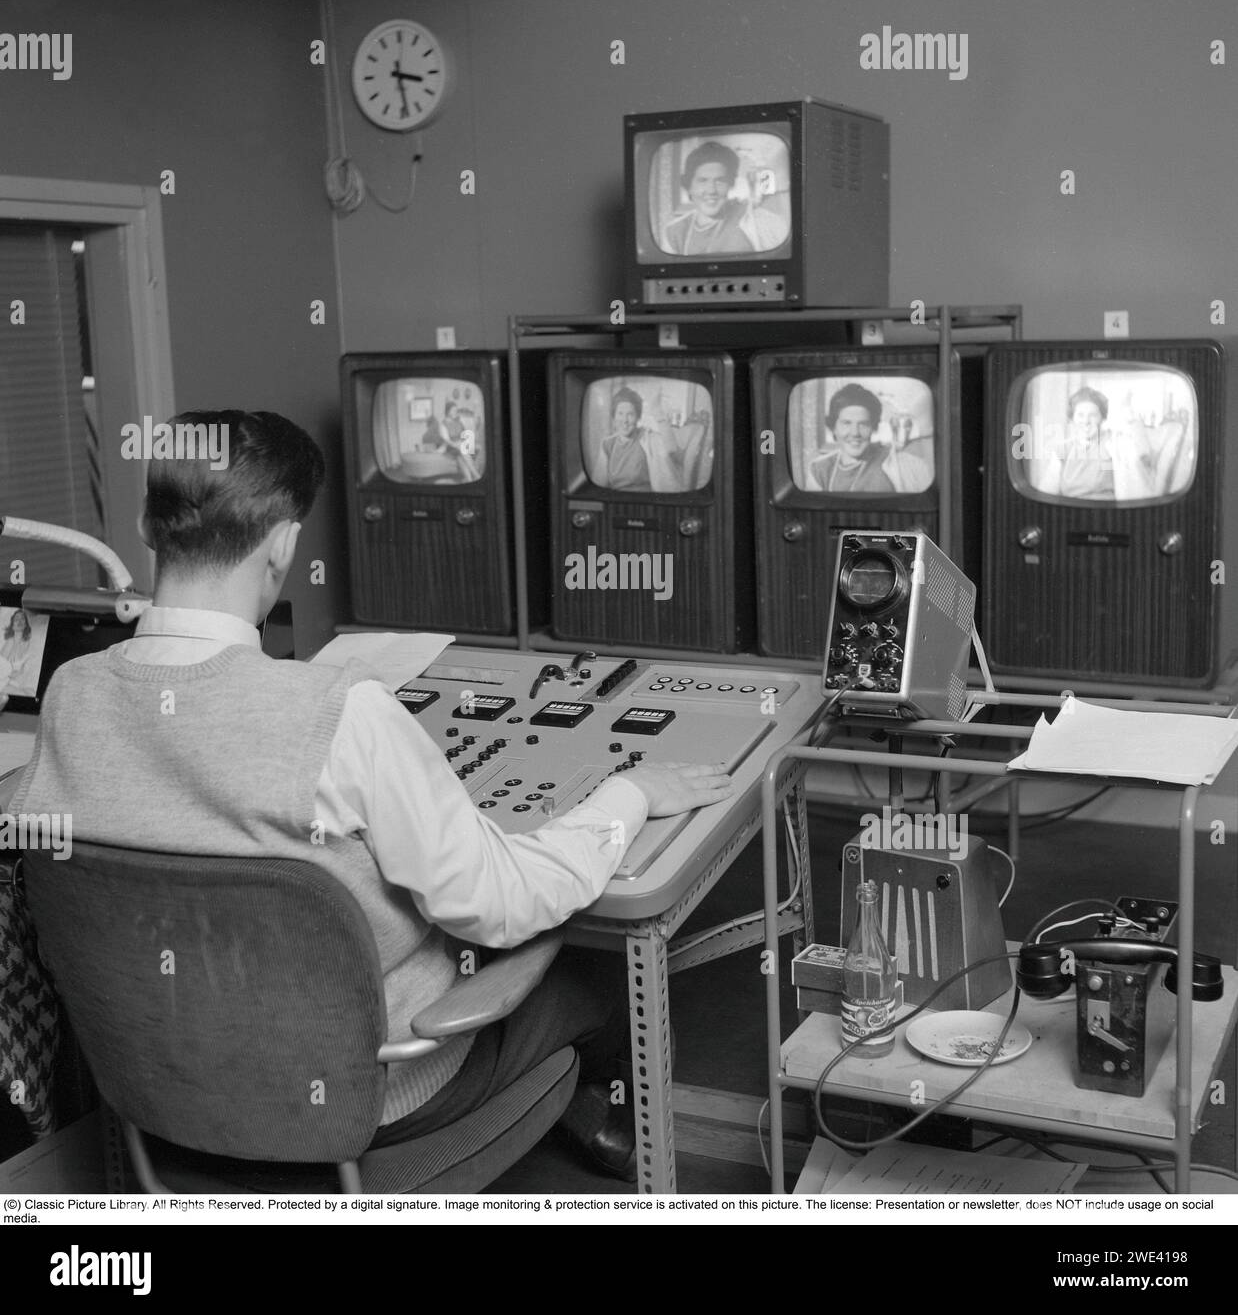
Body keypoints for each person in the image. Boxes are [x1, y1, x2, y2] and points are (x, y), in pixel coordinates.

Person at [6, 410, 731, 1180]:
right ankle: (609, 1131)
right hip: (378, 1094)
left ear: (152, 531)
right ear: (284, 542)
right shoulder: (343, 713)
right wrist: (623, 796)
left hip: (159, 1087)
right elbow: (500, 901)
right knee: (598, 965)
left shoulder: (70, 695)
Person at [1041, 385, 1187, 501]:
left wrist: (1129, 413)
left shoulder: (1114, 442)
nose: (1086, 421)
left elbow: (1144, 451)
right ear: (1072, 419)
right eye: (1080, 415)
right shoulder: (1063, 449)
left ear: (1102, 419)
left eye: (1093, 415)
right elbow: (1046, 491)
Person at [661, 140, 787, 257]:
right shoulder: (674, 232)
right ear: (689, 186)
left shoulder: (756, 219)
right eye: (702, 181)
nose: (711, 190)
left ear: (730, 184)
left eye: (720, 181)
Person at [807, 383, 932, 494]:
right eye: (846, 423)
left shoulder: (903, 463)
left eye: (863, 424)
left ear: (873, 427)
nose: (855, 433)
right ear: (833, 427)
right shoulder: (819, 470)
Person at [592, 386, 710, 493]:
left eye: (630, 414)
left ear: (638, 417)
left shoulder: (646, 437)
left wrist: (657, 411)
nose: (625, 420)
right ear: (614, 416)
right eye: (620, 414)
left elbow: (671, 448)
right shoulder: (607, 444)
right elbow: (598, 485)